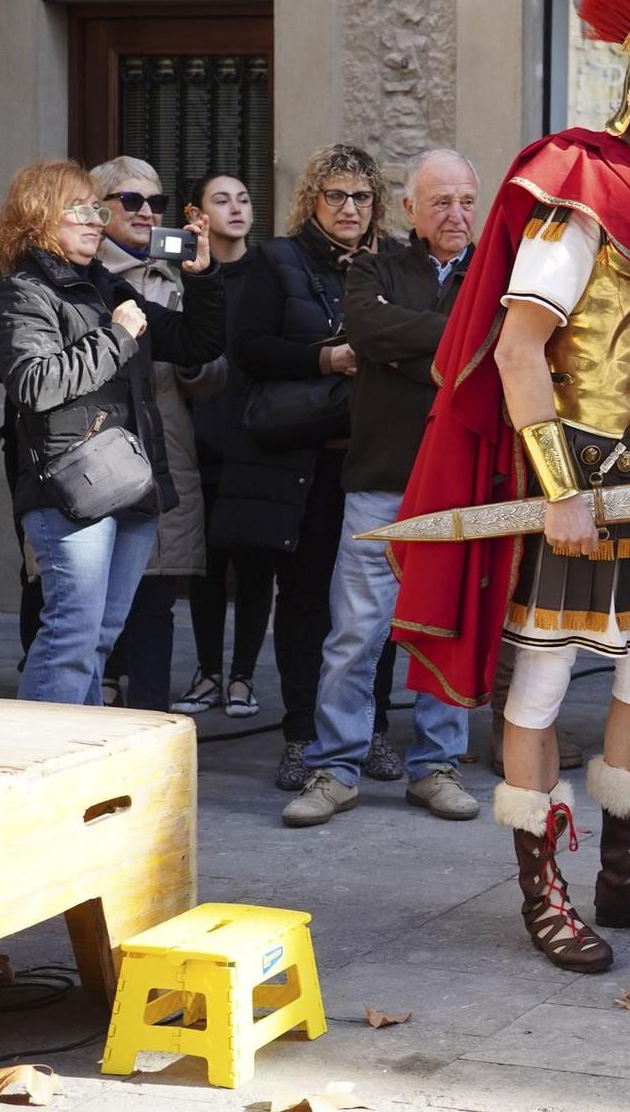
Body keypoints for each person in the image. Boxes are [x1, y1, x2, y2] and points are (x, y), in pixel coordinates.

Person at [390, 0, 630, 972]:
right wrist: (555, 487)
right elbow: (516, 350)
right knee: (544, 684)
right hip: (575, 471)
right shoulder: (577, 192)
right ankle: (543, 886)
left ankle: (625, 870)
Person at [282, 149, 483, 828]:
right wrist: (456, 346)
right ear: (411, 210)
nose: (455, 214)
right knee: (355, 633)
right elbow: (367, 328)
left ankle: (437, 765)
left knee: (443, 630)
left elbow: (502, 342)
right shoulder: (373, 266)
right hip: (379, 479)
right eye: (441, 202)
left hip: (461, 483)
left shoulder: (494, 273)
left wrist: (416, 349)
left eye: (465, 201)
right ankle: (335, 768)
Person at [0, 160, 223, 707]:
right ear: (38, 217)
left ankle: (83, 769)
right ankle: (44, 771)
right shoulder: (23, 292)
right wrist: (116, 337)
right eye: (81, 210)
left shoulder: (105, 286)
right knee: (70, 637)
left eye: (98, 209)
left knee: (97, 641)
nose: (96, 221)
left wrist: (203, 277)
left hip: (132, 486)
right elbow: (35, 382)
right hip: (70, 495)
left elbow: (195, 343)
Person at [216, 144, 383, 792]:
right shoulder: (275, 260)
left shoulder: (388, 262)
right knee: (308, 598)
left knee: (375, 606)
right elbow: (248, 349)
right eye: (336, 194)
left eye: (362, 196)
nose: (350, 207)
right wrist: (327, 360)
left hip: (370, 460)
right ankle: (300, 735)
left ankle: (366, 732)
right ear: (311, 199)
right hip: (301, 463)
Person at [90, 156, 218, 711]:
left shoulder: (181, 272)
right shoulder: (81, 274)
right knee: (79, 604)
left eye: (157, 202)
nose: (148, 213)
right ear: (97, 209)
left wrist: (192, 365)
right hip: (94, 453)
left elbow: (210, 364)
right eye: (132, 201)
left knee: (155, 600)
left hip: (164, 448)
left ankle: (149, 722)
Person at [176, 173, 275, 718]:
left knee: (255, 563)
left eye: (243, 197)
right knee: (205, 565)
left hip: (258, 437)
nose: (236, 208)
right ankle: (207, 672)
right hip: (201, 438)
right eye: (222, 199)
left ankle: (242, 677)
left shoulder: (271, 272)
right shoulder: (186, 274)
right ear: (197, 213)